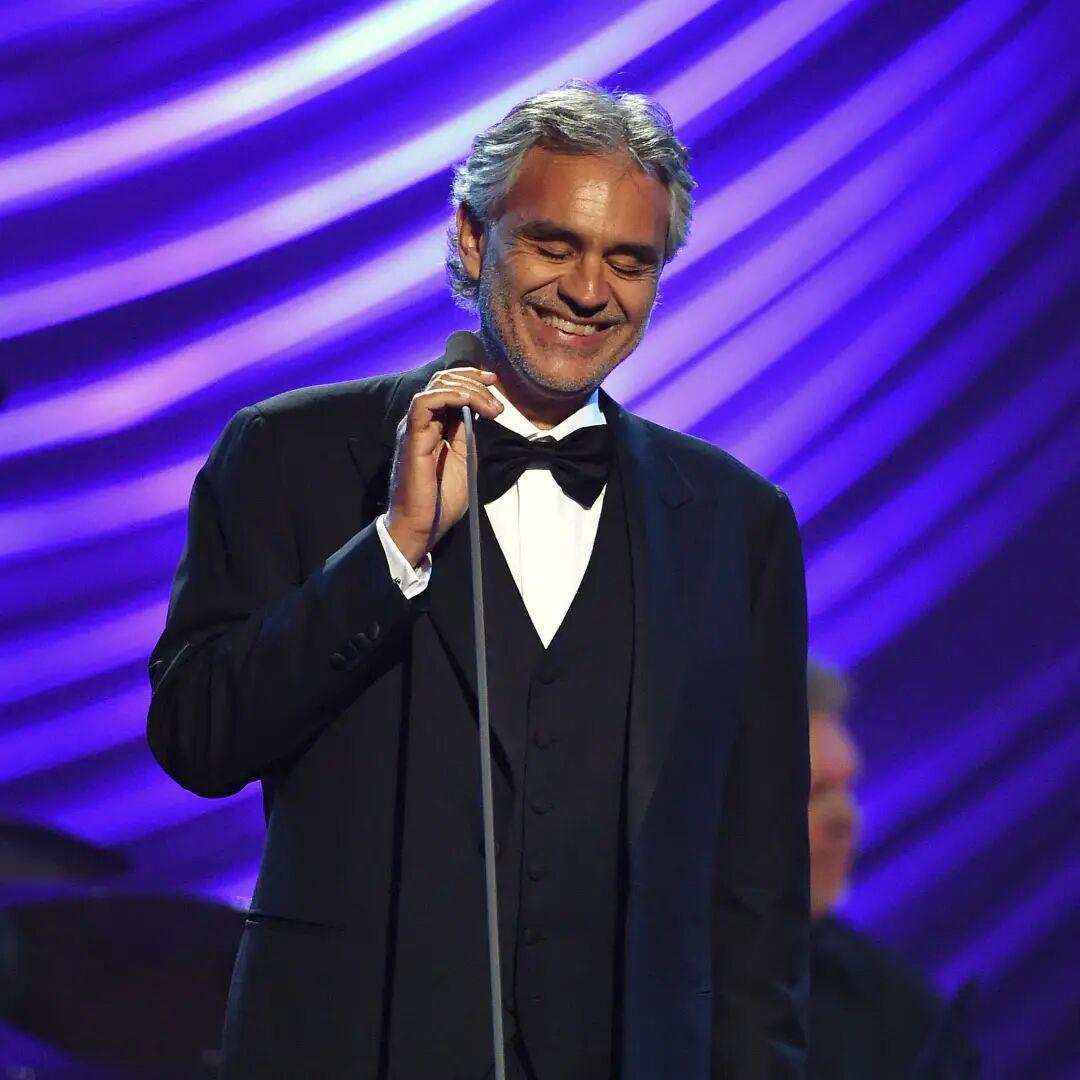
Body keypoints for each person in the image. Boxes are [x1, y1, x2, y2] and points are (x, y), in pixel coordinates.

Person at [146, 82, 811, 1080]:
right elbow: (198, 737)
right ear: (471, 238)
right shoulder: (290, 453)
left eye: (628, 261)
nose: (588, 290)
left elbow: (757, 893)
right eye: (554, 244)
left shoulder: (735, 522)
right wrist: (393, 548)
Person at [805, 660, 979, 1079]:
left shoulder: (894, 1005)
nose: (845, 817)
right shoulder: (652, 992)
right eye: (814, 792)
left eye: (846, 788)